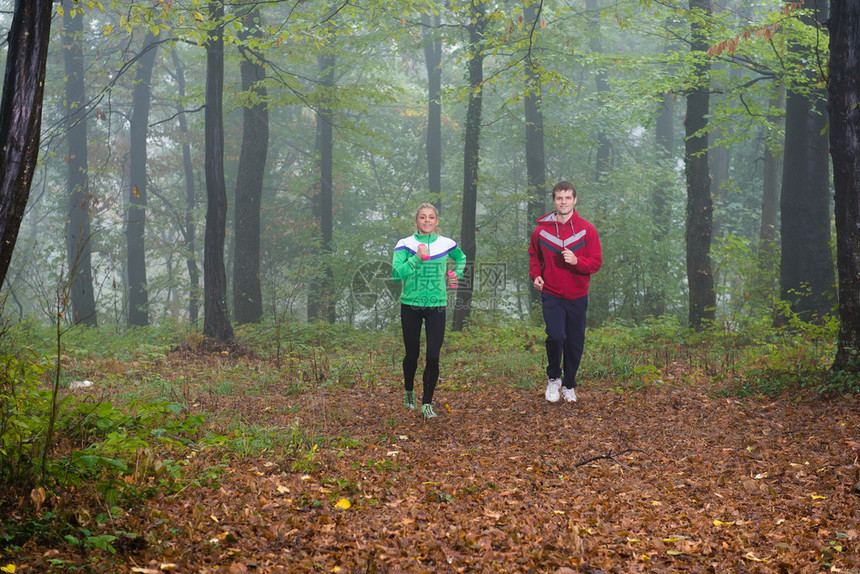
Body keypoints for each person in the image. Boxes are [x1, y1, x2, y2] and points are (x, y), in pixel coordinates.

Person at [528, 181, 602, 403]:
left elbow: (596, 263)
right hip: (552, 293)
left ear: (575, 200)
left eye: (567, 198)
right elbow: (534, 256)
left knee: (575, 342)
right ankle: (554, 378)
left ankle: (569, 384)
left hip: (578, 294)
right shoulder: (541, 231)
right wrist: (536, 275)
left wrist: (577, 261)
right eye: (559, 198)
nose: (563, 202)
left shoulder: (587, 229)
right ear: (554, 201)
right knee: (556, 336)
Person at [391, 203, 467, 419]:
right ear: (416, 221)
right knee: (412, 355)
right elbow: (396, 275)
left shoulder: (447, 243)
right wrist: (416, 257)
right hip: (410, 305)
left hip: (437, 306)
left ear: (436, 221)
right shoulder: (405, 244)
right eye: (422, 217)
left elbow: (461, 258)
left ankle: (427, 403)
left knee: (433, 356)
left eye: (431, 217)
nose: (427, 221)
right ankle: (408, 391)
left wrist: (455, 273)